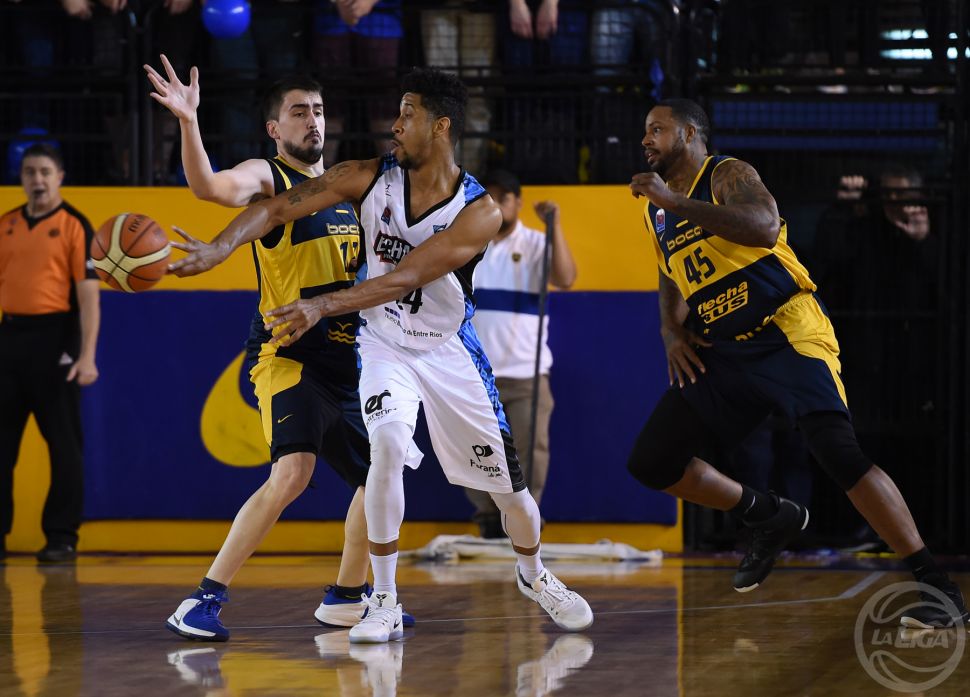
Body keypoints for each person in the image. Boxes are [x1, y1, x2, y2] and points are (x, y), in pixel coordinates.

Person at [169, 67, 593, 643]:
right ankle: (375, 599)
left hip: (441, 349)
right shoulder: (359, 177)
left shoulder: (480, 211)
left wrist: (322, 305)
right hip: (358, 345)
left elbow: (407, 277)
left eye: (407, 115)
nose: (393, 125)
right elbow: (268, 208)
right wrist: (220, 248)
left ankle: (531, 574)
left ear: (440, 126)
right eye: (301, 111)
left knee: (505, 490)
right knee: (365, 454)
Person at [625, 98, 967, 629]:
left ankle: (937, 587)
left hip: (786, 329)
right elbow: (670, 272)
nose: (646, 139)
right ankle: (767, 514)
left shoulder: (727, 174)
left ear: (689, 134)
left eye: (657, 129)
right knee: (652, 462)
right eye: (645, 130)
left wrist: (676, 200)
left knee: (838, 451)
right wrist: (671, 331)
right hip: (727, 348)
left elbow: (763, 227)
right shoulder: (657, 211)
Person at [144, 59, 417, 641]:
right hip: (290, 355)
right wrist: (189, 122)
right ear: (274, 128)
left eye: (318, 110)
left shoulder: (346, 187)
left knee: (380, 479)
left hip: (351, 361)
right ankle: (201, 599)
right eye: (298, 112)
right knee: (292, 473)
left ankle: (347, 597)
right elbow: (210, 187)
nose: (312, 121)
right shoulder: (268, 177)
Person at [0, 143, 100, 563]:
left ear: (59, 177)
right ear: (21, 178)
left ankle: (61, 537)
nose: (37, 180)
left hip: (57, 339)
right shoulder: (6, 224)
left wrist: (87, 355)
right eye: (29, 172)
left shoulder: (75, 224)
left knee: (63, 445)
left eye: (44, 171)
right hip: (10, 337)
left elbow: (89, 298)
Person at [465, 168, 576, 537]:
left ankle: (526, 517)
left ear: (518, 202)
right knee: (477, 448)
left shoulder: (535, 242)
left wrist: (554, 226)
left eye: (504, 197)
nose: (497, 204)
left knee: (531, 449)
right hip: (475, 372)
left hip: (526, 371)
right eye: (490, 198)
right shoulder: (469, 243)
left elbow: (566, 278)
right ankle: (488, 517)